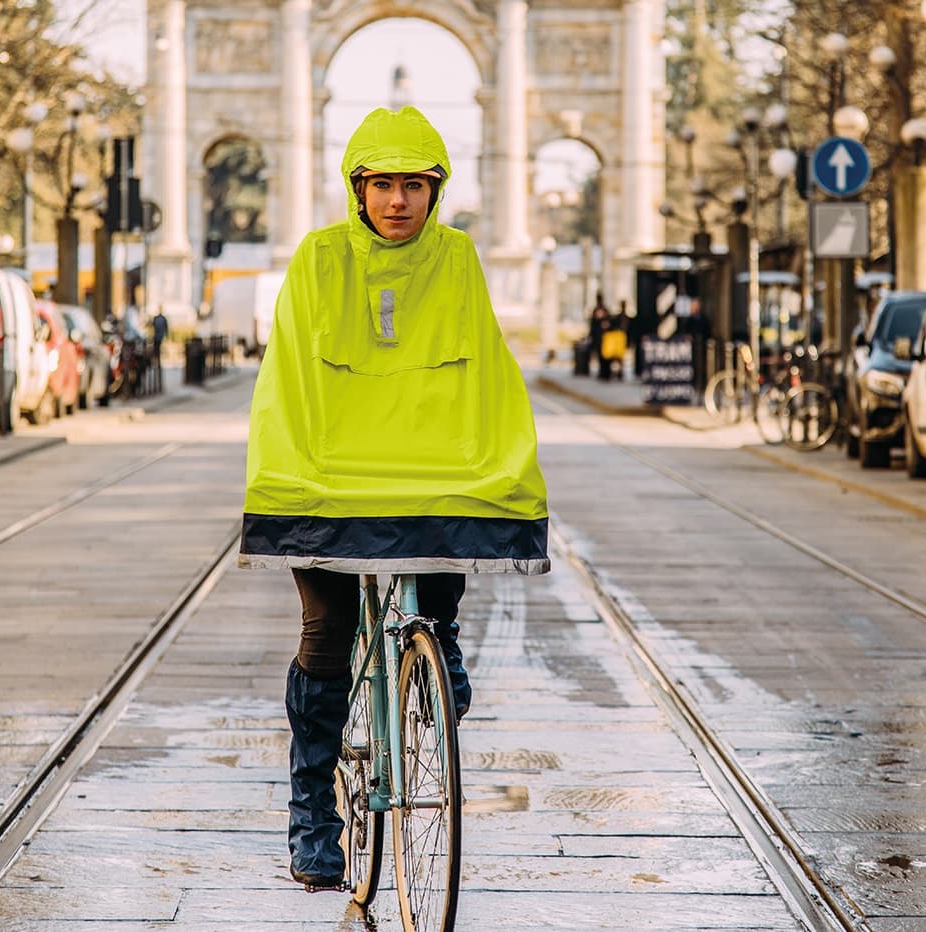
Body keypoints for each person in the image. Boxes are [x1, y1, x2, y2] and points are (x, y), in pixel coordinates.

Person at [239, 107, 549, 892]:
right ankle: (313, 813)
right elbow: (289, 384)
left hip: (428, 470)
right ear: (358, 188)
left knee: (454, 522)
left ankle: (436, 631)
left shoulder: (460, 259)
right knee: (328, 630)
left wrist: (508, 469)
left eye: (415, 184)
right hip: (332, 473)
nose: (399, 201)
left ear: (436, 190)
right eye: (383, 184)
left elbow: (488, 377)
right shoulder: (316, 259)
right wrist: (291, 474)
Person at [587, 291, 614, 381]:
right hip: (599, 337)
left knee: (605, 356)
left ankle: (606, 373)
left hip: (604, 338)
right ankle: (603, 373)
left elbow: (610, 322)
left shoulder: (604, 310)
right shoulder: (597, 310)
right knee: (601, 356)